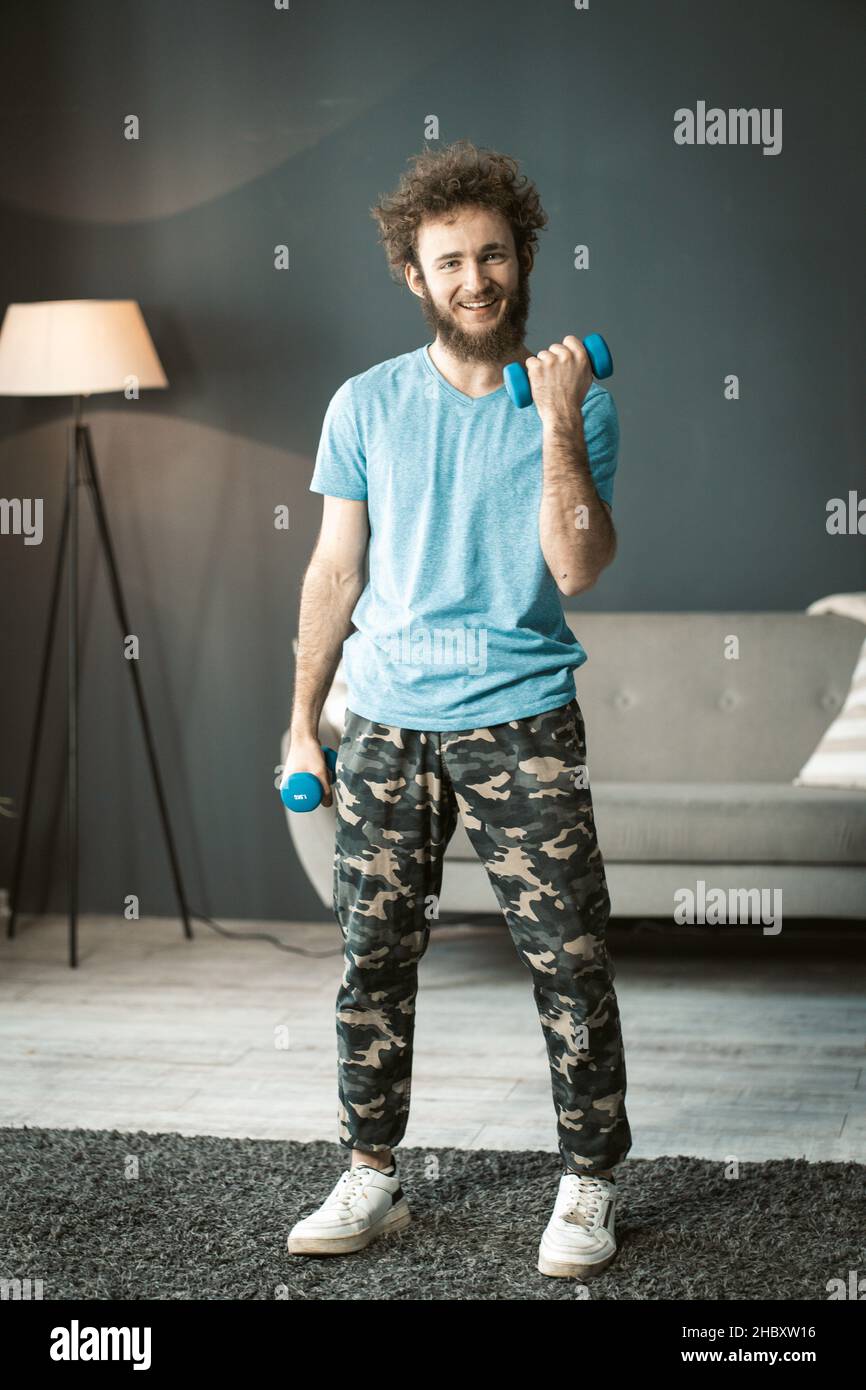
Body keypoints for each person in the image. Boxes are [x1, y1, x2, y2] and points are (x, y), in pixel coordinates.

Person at [285, 139, 632, 1279]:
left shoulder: (572, 402)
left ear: (522, 258)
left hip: (521, 719)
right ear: (413, 275)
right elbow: (334, 573)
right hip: (382, 721)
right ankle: (371, 1172)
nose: (473, 279)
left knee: (568, 958)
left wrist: (559, 421)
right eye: (448, 262)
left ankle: (586, 1183)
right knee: (369, 957)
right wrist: (302, 722)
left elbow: (576, 570)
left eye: (491, 255)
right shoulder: (364, 404)